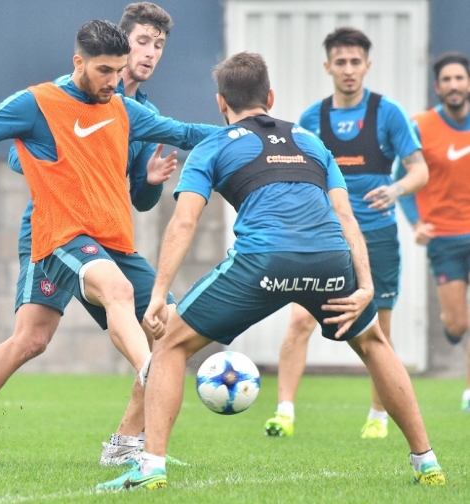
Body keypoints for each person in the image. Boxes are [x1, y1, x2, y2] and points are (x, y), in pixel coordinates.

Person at [98, 52, 446, 490]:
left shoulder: (213, 145)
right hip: (332, 261)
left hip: (263, 261)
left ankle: (150, 469)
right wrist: (367, 286)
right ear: (271, 97)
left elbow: (184, 221)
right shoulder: (312, 142)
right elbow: (345, 217)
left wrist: (158, 295)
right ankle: (426, 462)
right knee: (375, 343)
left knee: (169, 344)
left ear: (221, 103)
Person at [0, 19, 216, 466]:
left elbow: (185, 134)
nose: (113, 82)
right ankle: (147, 370)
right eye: (104, 71)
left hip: (113, 241)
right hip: (60, 235)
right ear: (78, 62)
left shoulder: (123, 107)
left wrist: (247, 134)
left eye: (119, 71)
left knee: (162, 327)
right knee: (113, 299)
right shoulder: (38, 103)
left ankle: (123, 445)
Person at [264, 27, 429, 440]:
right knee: (300, 320)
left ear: (367, 66)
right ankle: (284, 412)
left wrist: (395, 189)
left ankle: (377, 416)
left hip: (376, 236)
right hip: (325, 238)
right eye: (341, 62)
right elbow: (294, 176)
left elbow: (419, 170)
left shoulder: (387, 113)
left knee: (379, 330)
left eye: (356, 62)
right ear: (328, 67)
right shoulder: (311, 120)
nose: (349, 69)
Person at [396, 51, 470, 411]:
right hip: (443, 237)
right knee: (459, 322)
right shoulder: (420, 125)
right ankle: (452, 326)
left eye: (459, 78)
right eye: (447, 80)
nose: (454, 85)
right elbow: (401, 175)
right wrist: (415, 222)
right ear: (437, 87)